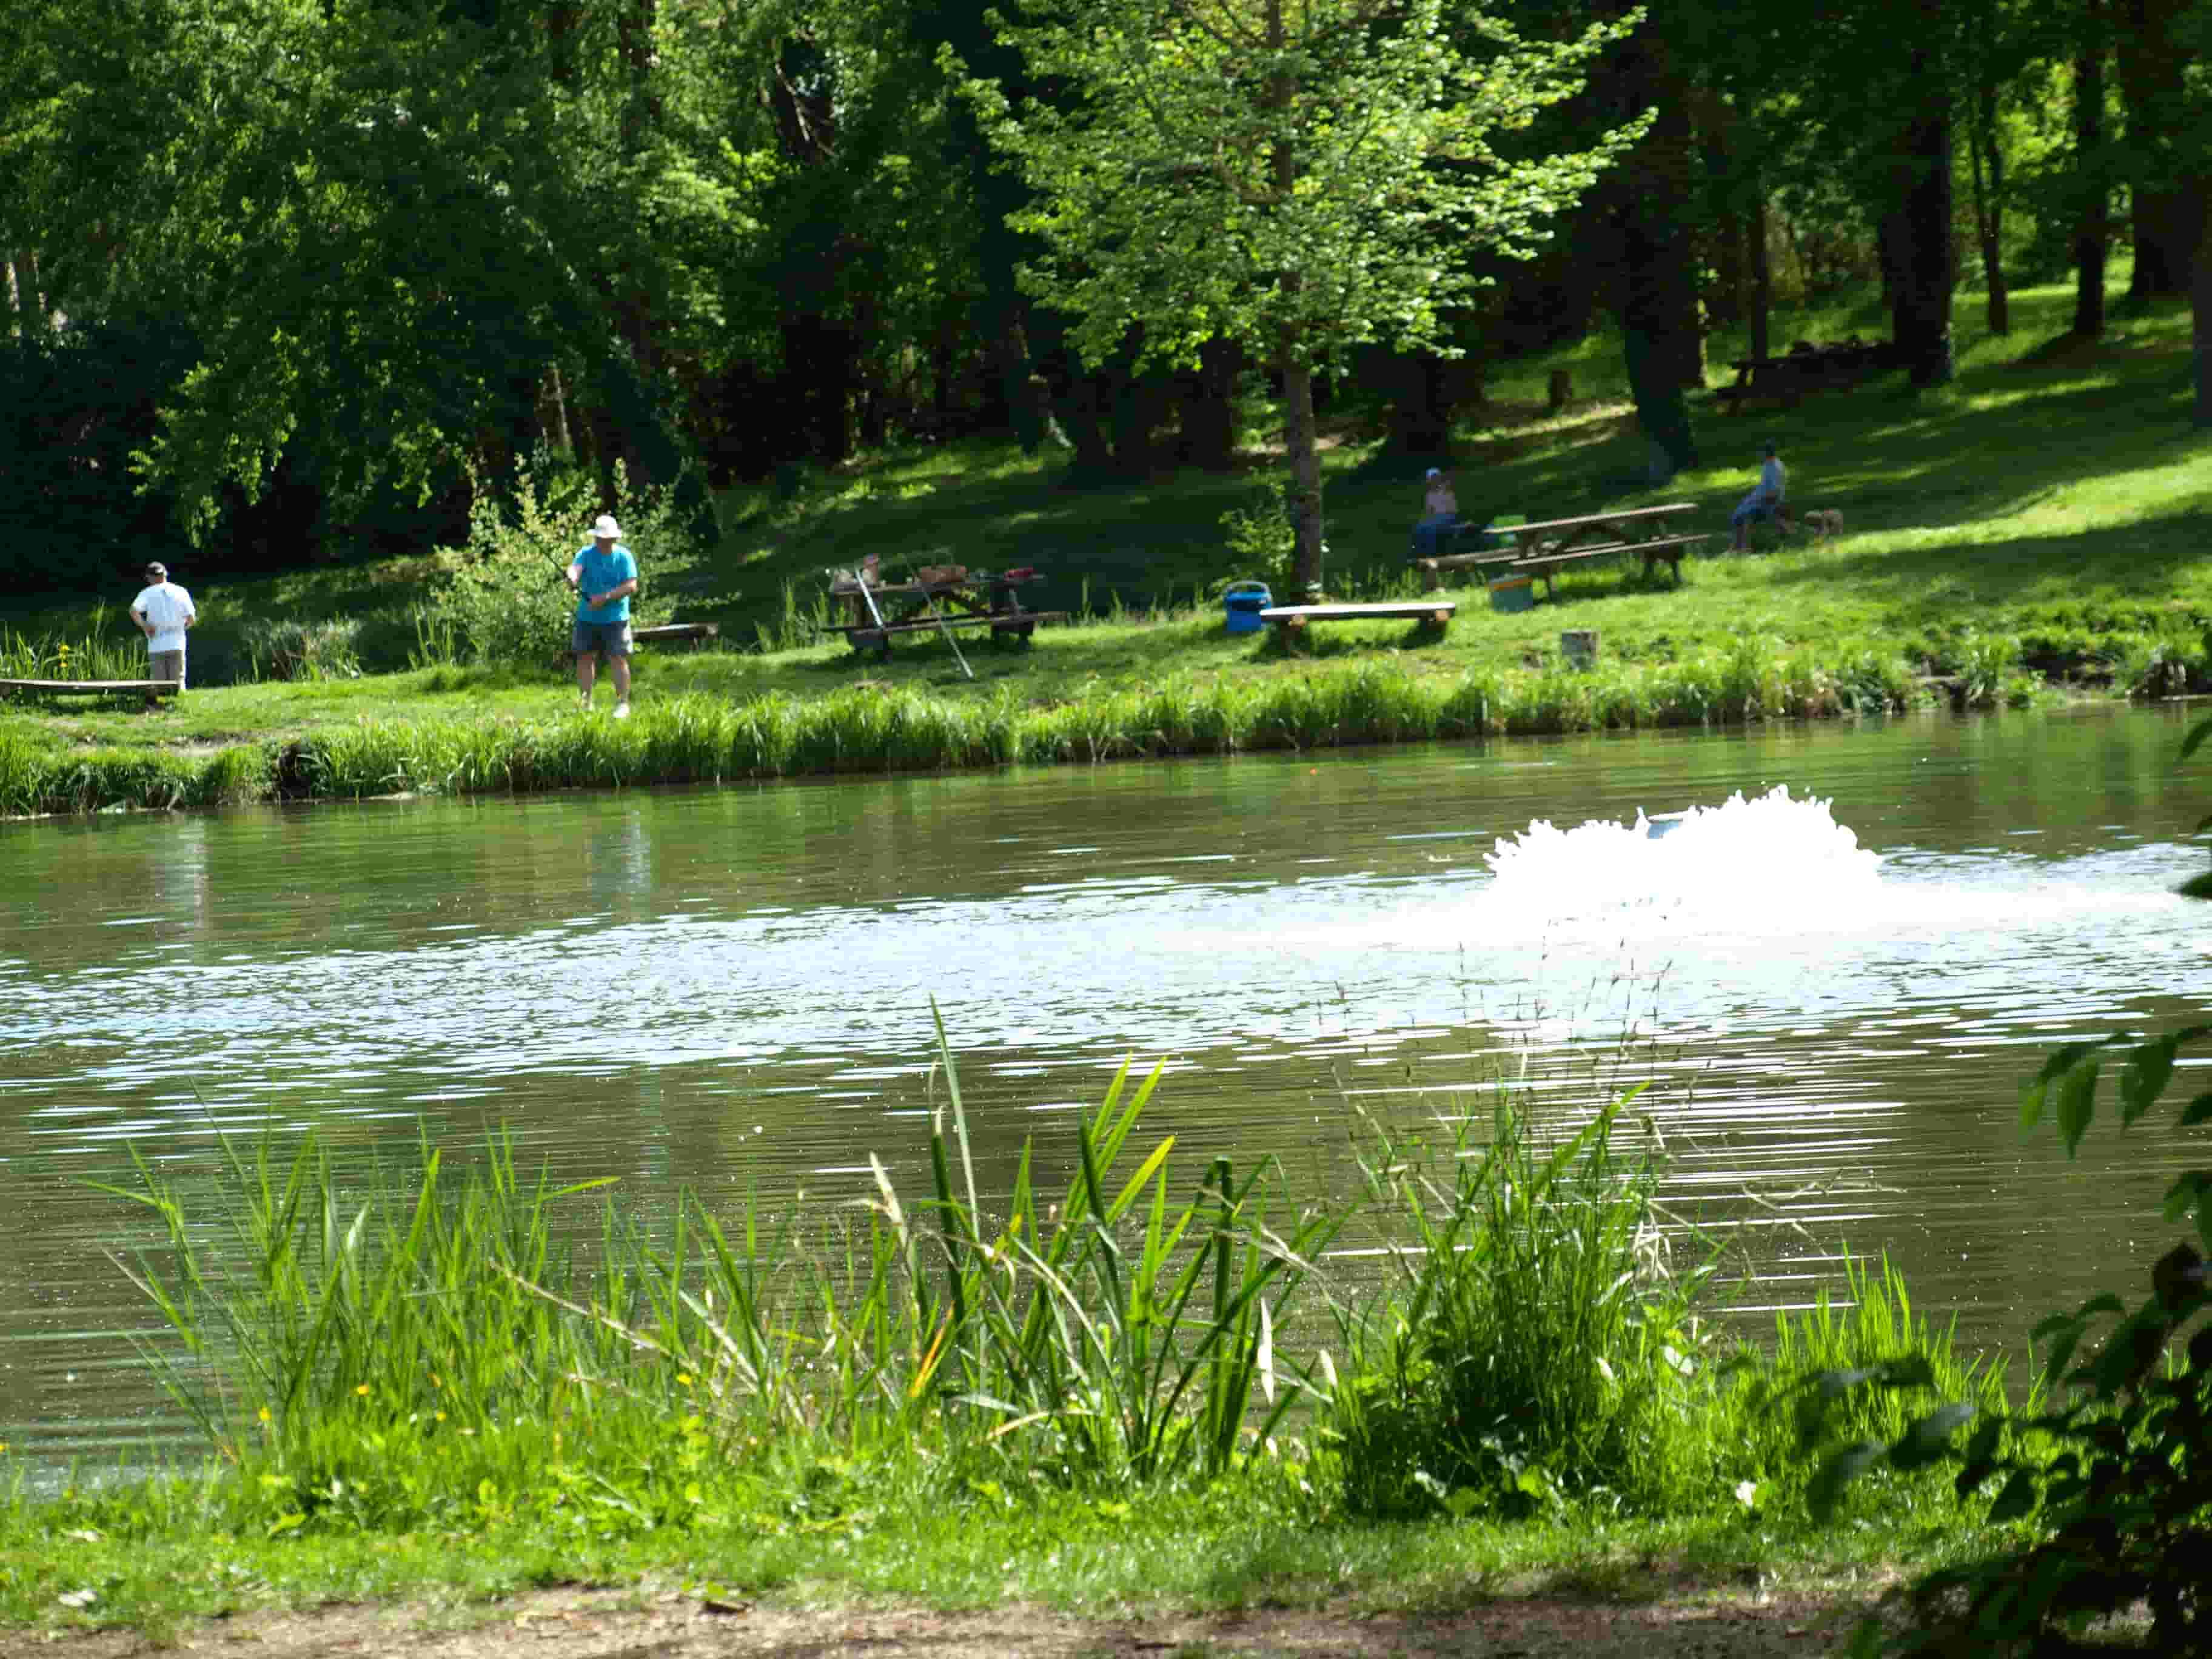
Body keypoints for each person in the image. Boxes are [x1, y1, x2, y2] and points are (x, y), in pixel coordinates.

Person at [566, 513, 638, 718]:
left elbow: (631, 586)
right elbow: (575, 569)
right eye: (600, 539)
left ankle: (623, 703)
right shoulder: (585, 554)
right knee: (585, 658)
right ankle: (586, 702)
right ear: (595, 538)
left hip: (616, 619)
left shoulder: (624, 556)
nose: (603, 543)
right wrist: (572, 578)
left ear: (615, 539)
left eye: (607, 539)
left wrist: (605, 597)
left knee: (618, 659)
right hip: (587, 618)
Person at [128, 561, 197, 699]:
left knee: (159, 684)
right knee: (178, 682)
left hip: (156, 644)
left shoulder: (147, 593)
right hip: (177, 642)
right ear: (165, 574)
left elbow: (133, 611)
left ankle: (159, 707)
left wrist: (145, 626)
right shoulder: (181, 591)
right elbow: (191, 618)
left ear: (149, 578)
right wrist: (182, 629)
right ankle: (178, 706)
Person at [1730, 440, 1792, 551]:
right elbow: (1764, 487)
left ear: (1766, 453)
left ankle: (1744, 547)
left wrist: (1757, 499)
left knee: (1745, 515)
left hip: (1769, 503)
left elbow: (1774, 493)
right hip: (1762, 501)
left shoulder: (1775, 468)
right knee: (1739, 512)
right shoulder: (1768, 465)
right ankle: (1737, 547)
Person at [1412, 466, 1462, 558]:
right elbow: (1429, 512)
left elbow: (1454, 510)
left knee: (1432, 527)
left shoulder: (1447, 491)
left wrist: (1438, 515)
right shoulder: (1429, 495)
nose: (1434, 480)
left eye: (1436, 478)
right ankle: (1420, 553)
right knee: (1419, 526)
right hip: (1436, 519)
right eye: (1432, 478)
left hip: (1449, 518)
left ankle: (1432, 554)